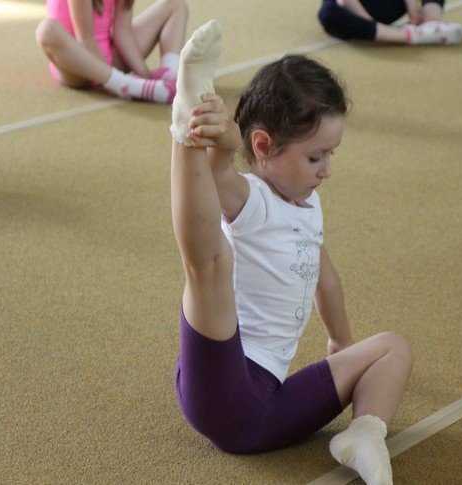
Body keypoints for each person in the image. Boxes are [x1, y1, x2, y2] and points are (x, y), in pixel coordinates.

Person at [170, 20, 413, 485]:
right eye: (315, 157)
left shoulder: (309, 207)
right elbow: (217, 177)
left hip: (266, 407)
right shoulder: (251, 199)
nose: (326, 170)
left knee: (393, 348)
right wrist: (219, 143)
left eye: (331, 155)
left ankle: (365, 434)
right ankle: (186, 128)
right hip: (223, 382)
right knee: (210, 266)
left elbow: (326, 278)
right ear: (263, 146)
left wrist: (342, 343)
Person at [35, 0, 188, 103]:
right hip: (78, 66)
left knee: (175, 4)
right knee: (46, 30)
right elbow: (86, 41)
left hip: (109, 59)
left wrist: (145, 75)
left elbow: (122, 31)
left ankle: (169, 79)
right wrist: (109, 78)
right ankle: (128, 85)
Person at [318, 0, 462, 45]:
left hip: (383, 6)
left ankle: (432, 23)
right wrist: (370, 26)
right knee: (328, 13)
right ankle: (413, 35)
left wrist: (414, 14)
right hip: (352, 13)